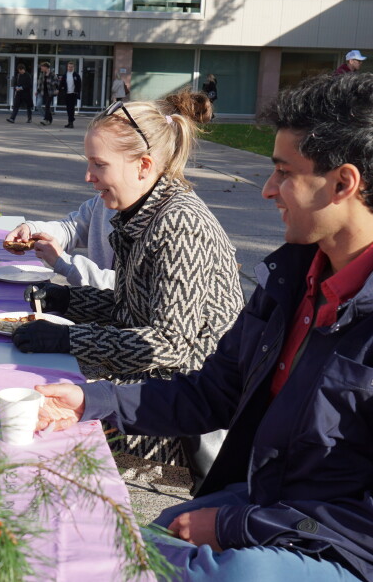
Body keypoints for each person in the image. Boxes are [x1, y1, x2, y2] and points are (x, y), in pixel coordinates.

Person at [35, 73, 373, 582]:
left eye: (284, 173)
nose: (267, 191)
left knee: (214, 569)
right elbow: (214, 391)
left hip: (364, 556)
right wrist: (92, 401)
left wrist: (237, 524)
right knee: (122, 552)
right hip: (274, 509)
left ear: (343, 183)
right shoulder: (295, 274)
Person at [13, 92, 244, 472]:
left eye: (98, 165)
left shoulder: (179, 224)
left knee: (49, 427)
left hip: (189, 406)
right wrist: (65, 301)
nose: (88, 177)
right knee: (42, 393)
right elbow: (128, 307)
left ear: (144, 166)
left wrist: (69, 338)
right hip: (161, 382)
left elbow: (167, 346)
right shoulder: (141, 212)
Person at [3, 195, 117, 289]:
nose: (88, 177)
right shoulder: (104, 199)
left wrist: (63, 262)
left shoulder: (134, 226)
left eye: (100, 166)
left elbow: (121, 287)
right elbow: (71, 228)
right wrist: (32, 230)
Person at [58, 61, 82, 128]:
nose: (70, 68)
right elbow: (61, 84)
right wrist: (58, 90)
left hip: (73, 94)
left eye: (71, 67)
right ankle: (70, 121)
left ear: (73, 67)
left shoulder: (76, 75)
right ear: (67, 67)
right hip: (67, 94)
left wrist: (77, 92)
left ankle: (71, 122)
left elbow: (79, 85)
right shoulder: (65, 75)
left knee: (72, 108)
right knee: (68, 108)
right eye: (69, 67)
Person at [37, 61, 58, 125]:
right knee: (44, 106)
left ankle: (46, 120)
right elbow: (39, 83)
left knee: (47, 106)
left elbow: (56, 83)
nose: (41, 68)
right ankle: (50, 119)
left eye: (42, 67)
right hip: (43, 92)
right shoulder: (42, 73)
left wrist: (49, 81)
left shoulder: (52, 74)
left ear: (46, 67)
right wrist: (38, 91)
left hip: (50, 92)